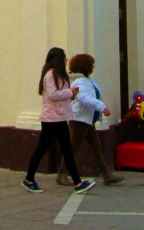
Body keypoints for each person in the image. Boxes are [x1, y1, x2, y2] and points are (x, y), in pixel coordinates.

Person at [22, 47, 95, 195]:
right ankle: (29, 179)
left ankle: (78, 183)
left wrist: (71, 94)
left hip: (60, 117)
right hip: (51, 119)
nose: (66, 60)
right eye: (64, 57)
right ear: (58, 59)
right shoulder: (50, 75)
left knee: (67, 150)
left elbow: (60, 94)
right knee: (42, 149)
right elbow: (53, 94)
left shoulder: (59, 75)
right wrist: (70, 92)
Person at [56, 54, 124, 186]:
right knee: (73, 148)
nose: (93, 67)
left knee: (96, 147)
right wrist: (102, 107)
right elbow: (84, 98)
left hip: (87, 120)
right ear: (85, 66)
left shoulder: (87, 80)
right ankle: (61, 174)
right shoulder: (79, 82)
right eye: (91, 65)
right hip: (79, 120)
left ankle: (106, 175)